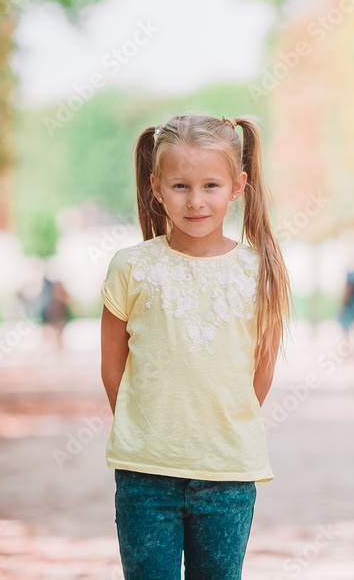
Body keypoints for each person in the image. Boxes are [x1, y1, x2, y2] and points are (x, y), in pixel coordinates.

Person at [99, 114, 292, 580]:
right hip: (145, 477)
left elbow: (260, 373)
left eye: (210, 185)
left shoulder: (258, 272)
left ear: (238, 186)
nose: (196, 201)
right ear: (156, 187)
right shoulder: (131, 267)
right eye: (181, 186)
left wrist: (217, 429)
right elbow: (112, 369)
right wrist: (149, 431)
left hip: (227, 476)